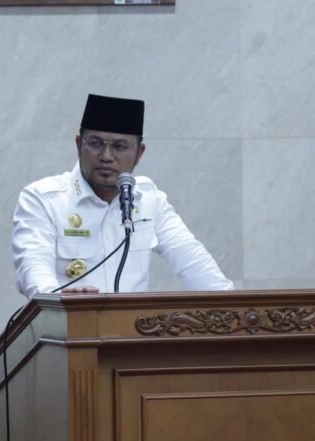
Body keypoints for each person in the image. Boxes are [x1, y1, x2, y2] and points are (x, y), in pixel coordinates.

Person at [12, 93, 233, 298]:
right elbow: (33, 270)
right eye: (96, 144)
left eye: (119, 146)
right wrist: (57, 300)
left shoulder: (149, 200)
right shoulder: (44, 199)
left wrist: (231, 307)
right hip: (67, 324)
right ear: (79, 145)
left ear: (139, 153)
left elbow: (194, 262)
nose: (106, 156)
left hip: (130, 327)